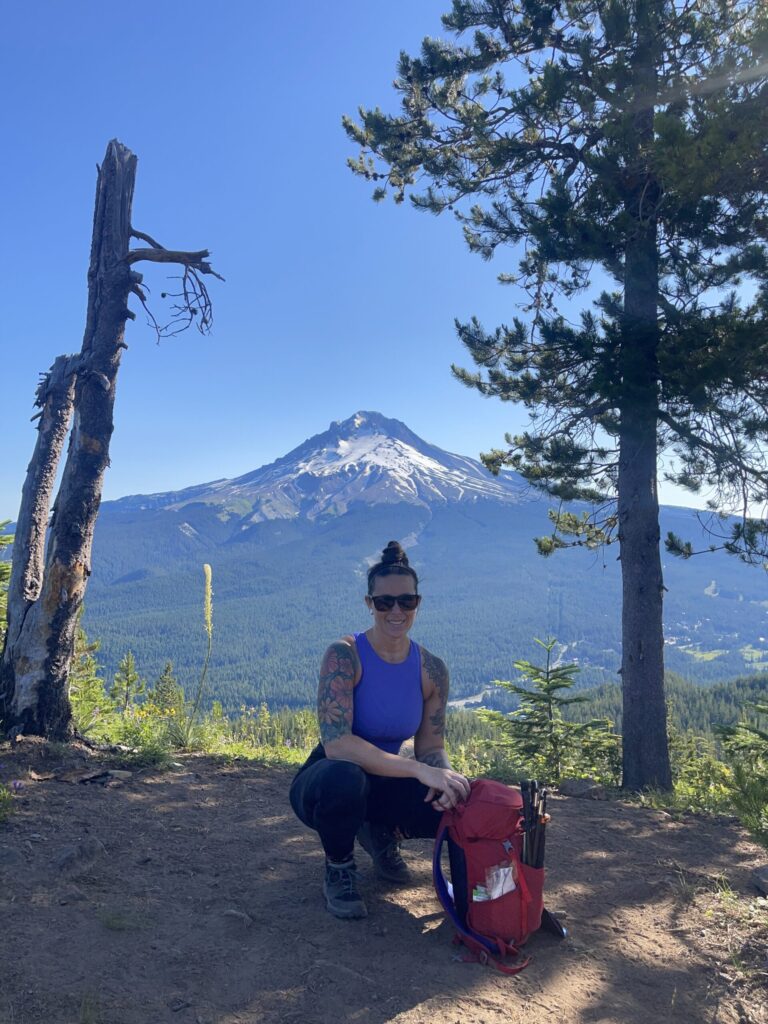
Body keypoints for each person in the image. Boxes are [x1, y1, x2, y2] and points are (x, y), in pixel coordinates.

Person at [289, 540, 471, 919]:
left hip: (386, 778)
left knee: (456, 802)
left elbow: (431, 747)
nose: (396, 610)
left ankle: (381, 835)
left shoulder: (431, 669)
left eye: (406, 601)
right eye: (385, 602)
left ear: (417, 603)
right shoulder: (344, 655)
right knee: (346, 779)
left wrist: (445, 777)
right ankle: (339, 868)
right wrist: (419, 769)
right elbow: (338, 745)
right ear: (369, 603)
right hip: (328, 778)